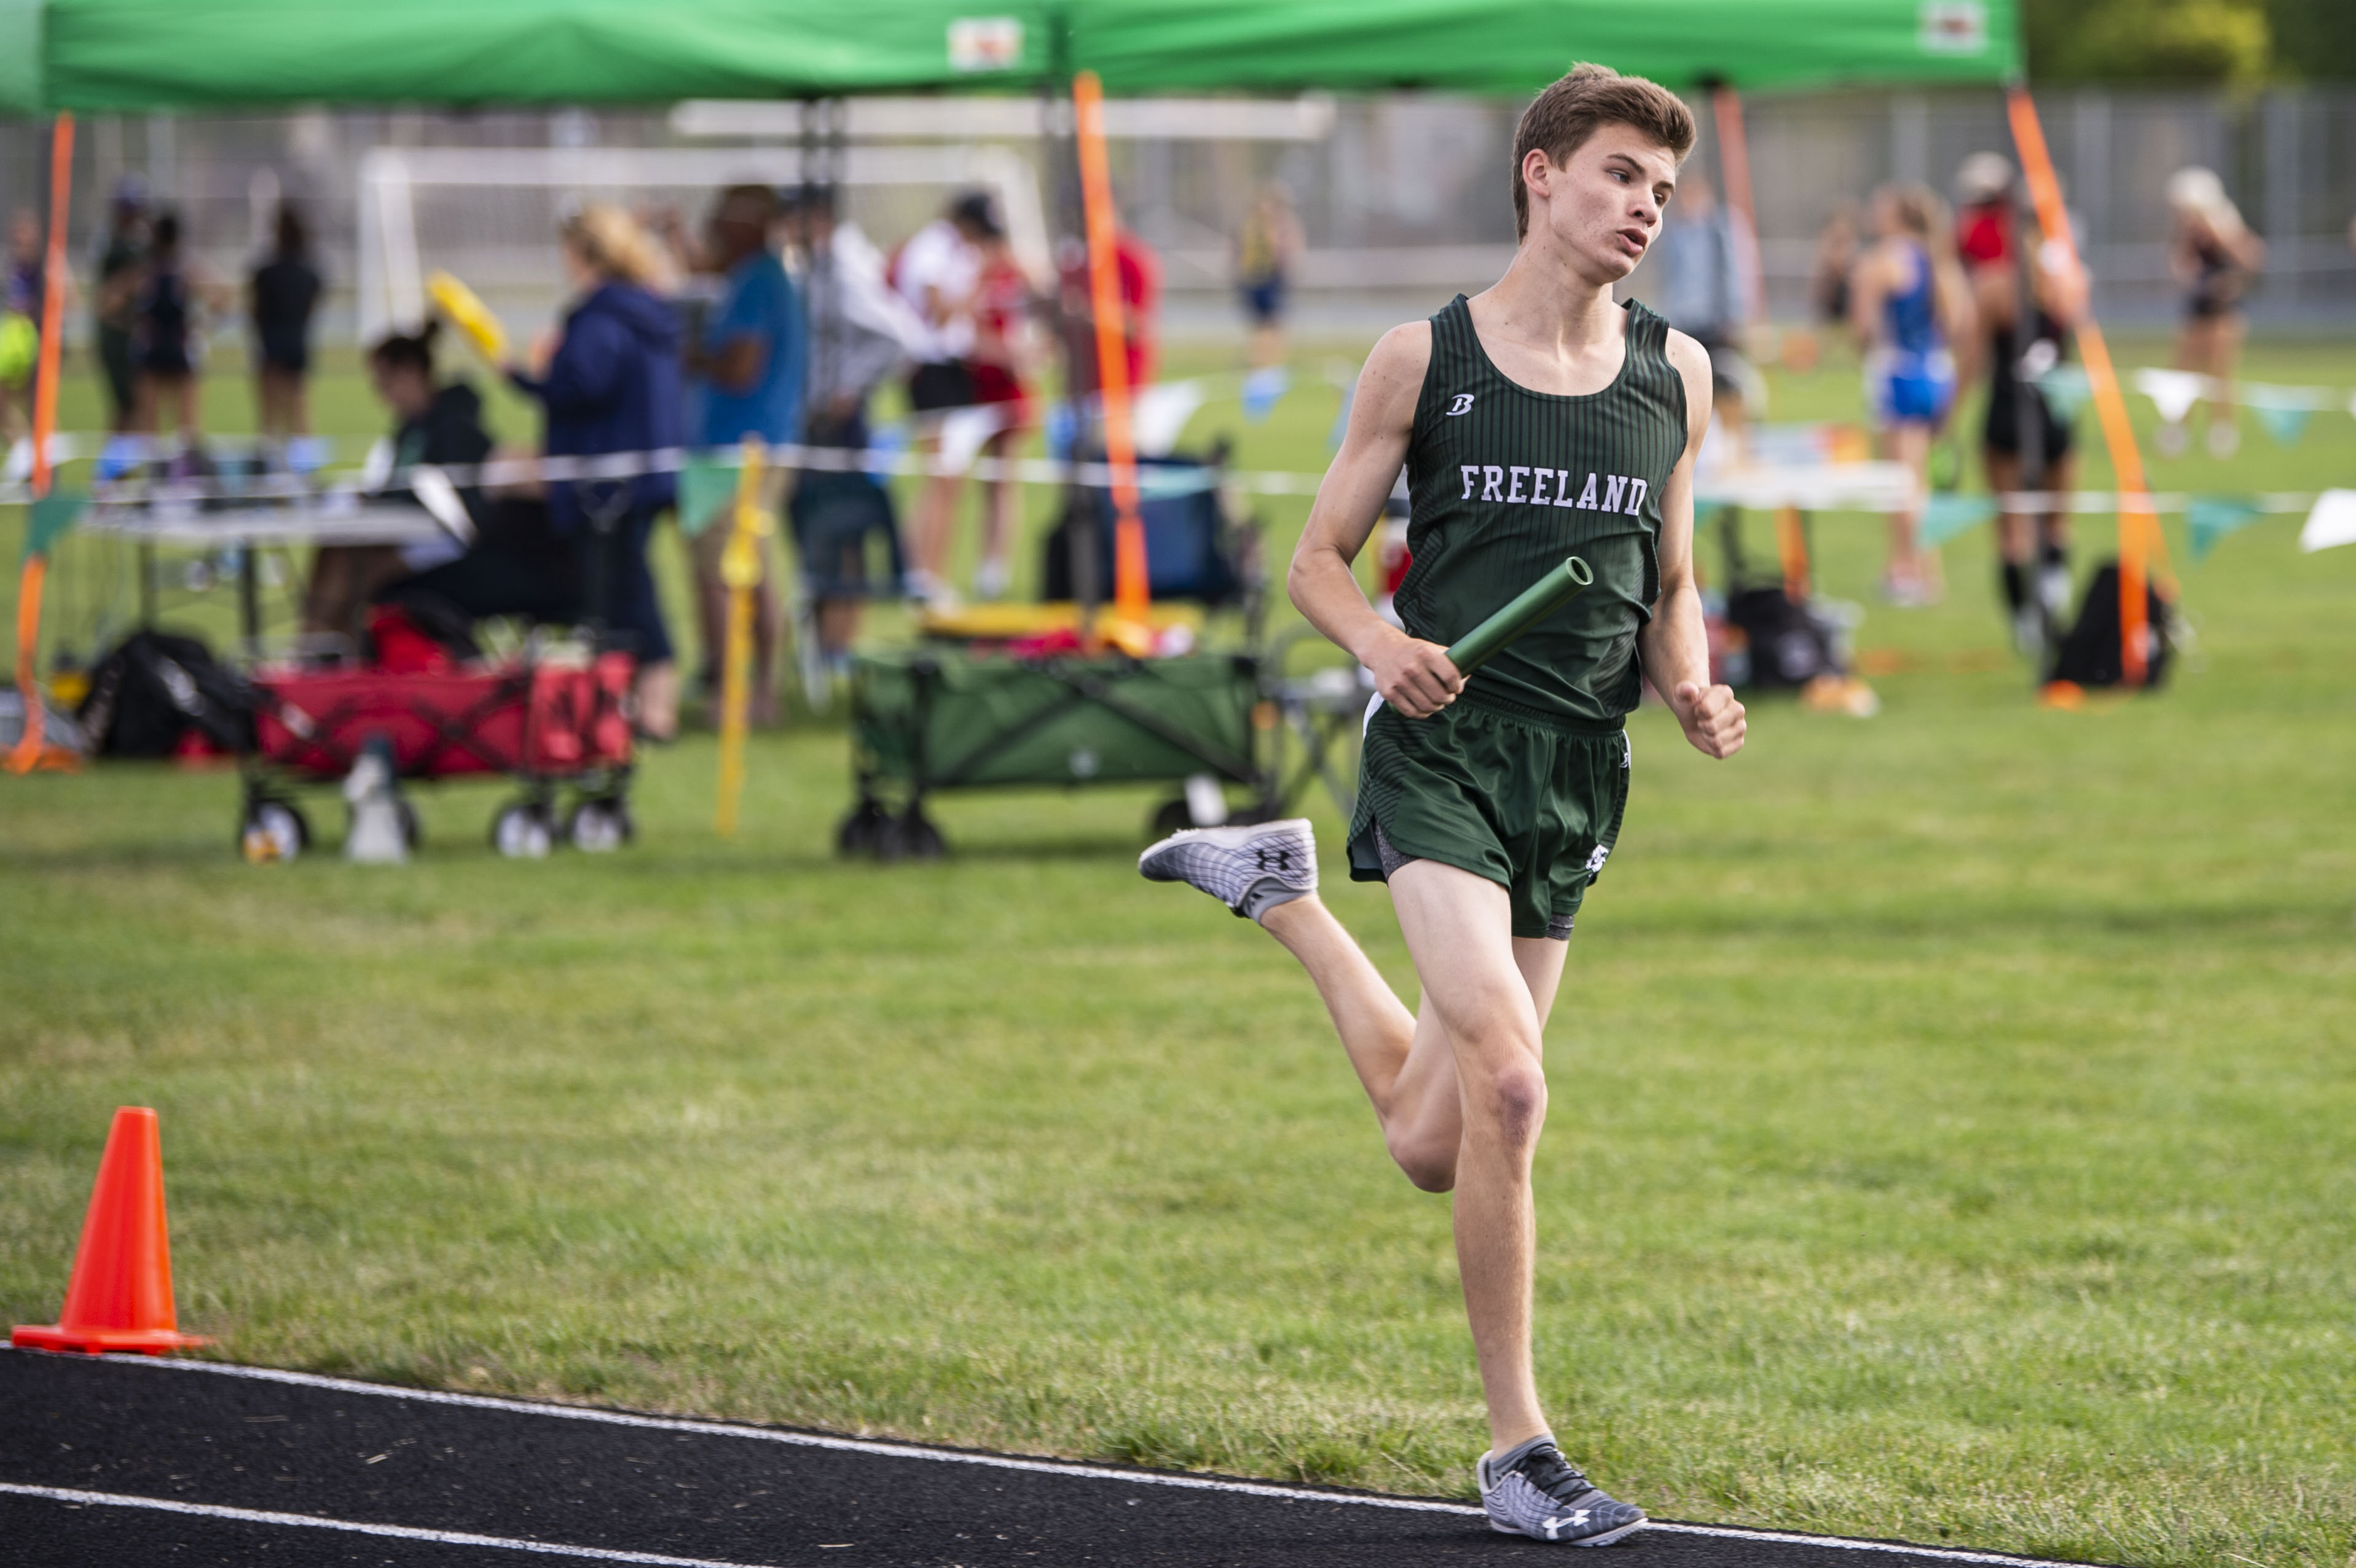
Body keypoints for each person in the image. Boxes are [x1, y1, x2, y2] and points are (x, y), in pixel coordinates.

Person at [1137, 63, 1743, 1547]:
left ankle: (1281, 896)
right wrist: (1378, 644)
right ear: (1538, 173)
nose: (1642, 208)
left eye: (1660, 190)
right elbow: (1317, 561)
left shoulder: (1677, 373)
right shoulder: (1426, 358)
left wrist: (1690, 683)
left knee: (1434, 1136)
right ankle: (1517, 1448)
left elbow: (1665, 583)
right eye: (1616, 175)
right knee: (1514, 1087)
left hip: (1573, 774)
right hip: (1442, 749)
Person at [507, 205, 686, 740]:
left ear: (584, 253)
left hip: (609, 478)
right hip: (644, 469)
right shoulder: (645, 309)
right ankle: (637, 702)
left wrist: (524, 376)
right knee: (627, 585)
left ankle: (654, 706)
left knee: (625, 589)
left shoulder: (602, 317)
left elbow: (580, 386)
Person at [673, 185, 803, 727]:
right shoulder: (757, 278)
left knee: (733, 575)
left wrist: (691, 358)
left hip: (742, 450)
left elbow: (741, 367)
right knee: (749, 571)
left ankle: (743, 694)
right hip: (748, 446)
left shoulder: (756, 282)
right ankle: (751, 690)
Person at [785, 184, 928, 674]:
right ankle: (826, 645)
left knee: (842, 535)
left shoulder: (845, 270)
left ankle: (840, 646)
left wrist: (849, 386)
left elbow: (897, 335)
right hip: (813, 427)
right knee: (815, 537)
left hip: (839, 430)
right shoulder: (816, 266)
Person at [1955, 154, 2088, 658]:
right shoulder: (2070, 281)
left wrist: (1946, 423)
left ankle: (2026, 626)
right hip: (2057, 410)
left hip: (2006, 413)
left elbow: (1972, 364)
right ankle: (2052, 597)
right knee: (2058, 522)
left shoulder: (1994, 285)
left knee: (2011, 532)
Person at [302, 322, 500, 647]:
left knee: (356, 569)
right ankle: (315, 646)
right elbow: (401, 486)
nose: (382, 396)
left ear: (410, 372)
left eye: (385, 384)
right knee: (334, 550)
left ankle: (326, 652)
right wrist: (372, 497)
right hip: (411, 531)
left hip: (446, 539)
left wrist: (382, 501)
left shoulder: (454, 425)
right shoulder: (411, 427)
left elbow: (443, 499)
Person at [1849, 184, 1971, 606]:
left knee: (1902, 483)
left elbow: (1861, 329)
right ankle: (1920, 571)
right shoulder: (1939, 258)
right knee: (1917, 481)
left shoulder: (1883, 260)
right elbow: (1956, 322)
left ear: (1897, 215)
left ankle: (1910, 573)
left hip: (1899, 372)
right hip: (1938, 372)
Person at [893, 192, 990, 605]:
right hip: (930, 368)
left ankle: (933, 573)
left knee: (952, 480)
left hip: (955, 368)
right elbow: (938, 312)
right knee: (940, 477)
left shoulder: (962, 254)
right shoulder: (932, 248)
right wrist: (974, 291)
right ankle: (920, 573)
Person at [2161, 166, 2264, 460]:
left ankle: (2222, 430)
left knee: (2221, 371)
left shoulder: (2225, 225)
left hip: (2226, 310)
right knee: (2183, 371)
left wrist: (2230, 279)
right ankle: (2177, 430)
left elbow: (2252, 256)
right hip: (2196, 308)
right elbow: (2182, 268)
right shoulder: (2186, 232)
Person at [962, 211, 1039, 601]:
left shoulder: (1021, 274)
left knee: (1002, 481)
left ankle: (995, 565)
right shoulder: (975, 277)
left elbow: (1042, 327)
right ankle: (982, 562)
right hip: (977, 387)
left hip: (1012, 388)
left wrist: (1028, 355)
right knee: (974, 480)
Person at [1649, 171, 1756, 436]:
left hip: (1717, 323)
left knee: (1727, 385)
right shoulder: (1674, 232)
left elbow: (1734, 272)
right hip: (1685, 323)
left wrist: (1734, 315)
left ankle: (1735, 442)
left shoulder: (1720, 228)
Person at [132, 210, 217, 444]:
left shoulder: (147, 271)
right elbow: (219, 299)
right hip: (175, 347)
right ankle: (184, 472)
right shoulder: (183, 270)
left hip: (156, 348)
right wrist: (203, 323)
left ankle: (157, 472)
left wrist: (131, 321)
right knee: (186, 426)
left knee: (150, 425)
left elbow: (109, 300)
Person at [249, 201, 322, 448]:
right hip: (297, 342)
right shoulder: (309, 272)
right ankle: (303, 468)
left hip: (271, 343)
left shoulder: (266, 272)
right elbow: (313, 304)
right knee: (299, 412)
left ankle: (270, 469)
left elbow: (256, 310)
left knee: (269, 417)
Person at [92, 179, 149, 433]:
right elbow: (106, 300)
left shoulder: (135, 242)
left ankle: (119, 468)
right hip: (116, 334)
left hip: (129, 332)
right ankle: (113, 469)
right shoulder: (114, 246)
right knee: (128, 406)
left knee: (132, 407)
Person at [1235, 181, 1303, 370]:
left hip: (1270, 278)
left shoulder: (1280, 224)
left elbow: (1288, 251)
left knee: (1272, 323)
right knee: (1262, 323)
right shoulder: (1254, 224)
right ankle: (1260, 361)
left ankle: (1271, 361)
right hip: (1257, 279)